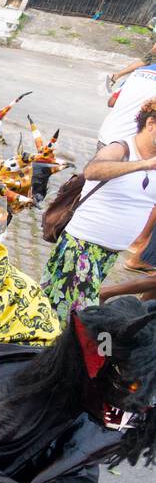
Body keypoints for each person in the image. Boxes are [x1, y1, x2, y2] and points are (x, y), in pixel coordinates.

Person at [40, 98, 156, 326]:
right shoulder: (122, 149)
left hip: (107, 254)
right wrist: (144, 165)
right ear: (151, 124)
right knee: (79, 320)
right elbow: (93, 170)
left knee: (57, 313)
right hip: (82, 247)